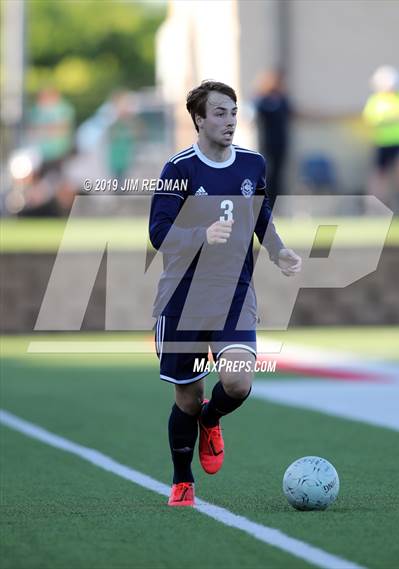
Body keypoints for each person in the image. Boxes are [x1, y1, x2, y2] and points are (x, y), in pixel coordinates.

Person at [149, 80, 301, 507]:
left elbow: (261, 215)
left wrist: (279, 250)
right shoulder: (179, 169)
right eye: (219, 113)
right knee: (188, 396)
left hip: (233, 292)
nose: (230, 121)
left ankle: (211, 421)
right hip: (182, 299)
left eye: (233, 112)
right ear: (198, 119)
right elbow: (158, 232)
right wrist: (202, 234)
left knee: (236, 382)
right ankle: (182, 479)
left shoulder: (253, 164)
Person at [363, 66, 399, 215]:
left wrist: (388, 118)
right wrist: (393, 117)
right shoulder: (376, 100)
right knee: (379, 175)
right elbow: (371, 118)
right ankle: (376, 206)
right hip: (382, 143)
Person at [254, 70, 292, 209]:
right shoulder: (262, 99)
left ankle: (276, 206)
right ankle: (262, 205)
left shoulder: (282, 99)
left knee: (278, 175)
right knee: (266, 175)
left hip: (280, 143)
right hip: (266, 144)